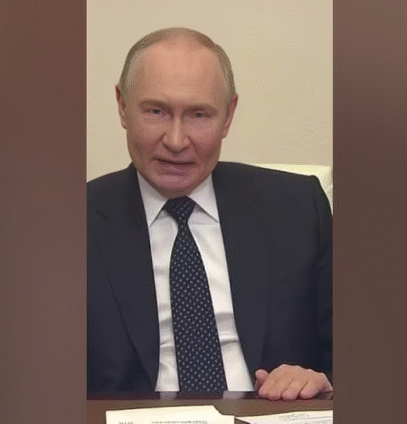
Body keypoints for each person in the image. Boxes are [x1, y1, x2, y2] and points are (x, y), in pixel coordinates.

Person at [87, 27, 332, 400]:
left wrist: (322, 379)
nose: (176, 141)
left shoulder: (298, 209)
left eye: (199, 115)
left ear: (228, 115)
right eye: (156, 111)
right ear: (122, 106)